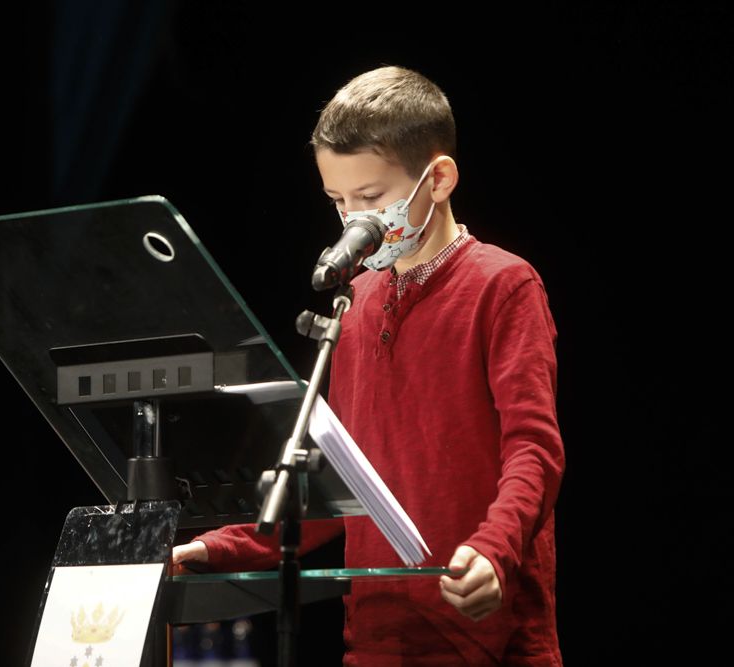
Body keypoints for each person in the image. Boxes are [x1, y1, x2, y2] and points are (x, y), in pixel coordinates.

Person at [174, 65, 564, 666]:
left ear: (437, 179)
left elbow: (534, 450)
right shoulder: (353, 306)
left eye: (373, 198)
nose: (355, 219)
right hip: (377, 643)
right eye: (338, 201)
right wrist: (221, 548)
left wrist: (493, 550)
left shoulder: (503, 285)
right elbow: (350, 488)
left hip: (491, 636)